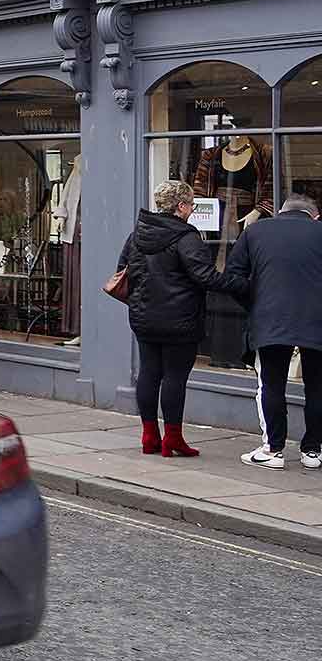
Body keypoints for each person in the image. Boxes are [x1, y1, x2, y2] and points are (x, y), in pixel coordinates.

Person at [118, 180, 248, 458]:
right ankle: (173, 439)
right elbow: (205, 276)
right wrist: (242, 284)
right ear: (180, 206)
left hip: (144, 318)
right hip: (180, 320)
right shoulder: (187, 237)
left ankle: (149, 436)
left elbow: (123, 271)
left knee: (149, 373)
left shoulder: (138, 234)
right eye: (191, 204)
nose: (192, 209)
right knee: (175, 377)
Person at [223, 193, 322, 469]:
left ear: (280, 211)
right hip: (317, 320)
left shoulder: (256, 231)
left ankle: (273, 450)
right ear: (314, 216)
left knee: (272, 384)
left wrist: (255, 303)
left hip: (271, 318)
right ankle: (313, 451)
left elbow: (233, 277)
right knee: (317, 387)